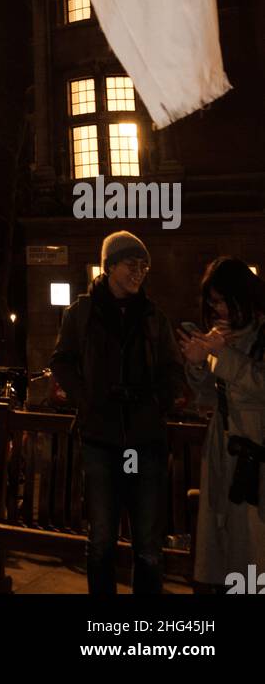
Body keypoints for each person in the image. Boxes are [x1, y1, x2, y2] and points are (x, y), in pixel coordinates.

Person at [50, 230, 185, 595]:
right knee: (102, 541)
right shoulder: (81, 313)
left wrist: (157, 401)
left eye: (144, 266)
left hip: (146, 439)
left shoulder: (154, 316)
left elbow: (174, 369)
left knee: (149, 547)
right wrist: (87, 399)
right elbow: (61, 361)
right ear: (109, 266)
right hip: (101, 438)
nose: (139, 272)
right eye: (131, 264)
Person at [176, 256, 265, 592]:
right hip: (223, 450)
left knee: (253, 543)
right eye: (213, 302)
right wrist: (198, 364)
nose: (219, 310)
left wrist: (223, 356)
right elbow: (209, 398)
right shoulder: (220, 335)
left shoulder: (261, 332)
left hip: (256, 449)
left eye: (223, 301)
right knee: (225, 540)